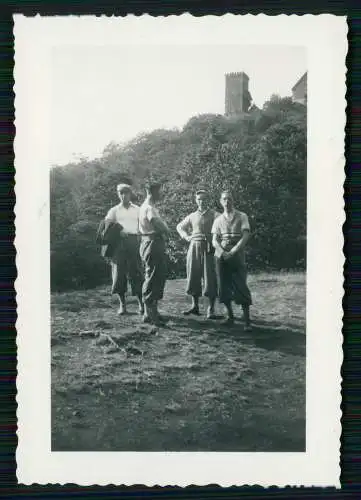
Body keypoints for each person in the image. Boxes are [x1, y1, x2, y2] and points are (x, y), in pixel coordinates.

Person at [212, 190, 252, 329]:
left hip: (237, 254)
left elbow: (245, 236)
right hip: (221, 255)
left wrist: (233, 251)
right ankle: (230, 316)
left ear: (233, 200)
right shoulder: (218, 220)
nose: (227, 202)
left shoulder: (242, 216)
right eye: (224, 199)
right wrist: (222, 252)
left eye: (229, 199)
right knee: (223, 285)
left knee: (241, 285)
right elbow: (214, 240)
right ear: (221, 201)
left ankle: (247, 321)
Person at [176, 190, 219, 319]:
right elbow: (179, 227)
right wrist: (186, 237)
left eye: (204, 199)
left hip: (209, 247)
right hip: (194, 246)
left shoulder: (215, 214)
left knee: (210, 277)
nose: (202, 201)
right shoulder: (192, 215)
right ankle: (195, 306)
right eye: (199, 199)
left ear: (208, 200)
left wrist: (216, 238)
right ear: (196, 200)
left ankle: (211, 309)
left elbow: (223, 223)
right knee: (193, 275)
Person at [105, 183, 144, 316]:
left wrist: (140, 235)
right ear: (118, 194)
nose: (123, 195)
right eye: (121, 193)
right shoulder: (114, 210)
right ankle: (123, 305)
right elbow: (106, 226)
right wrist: (117, 231)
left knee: (136, 272)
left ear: (130, 194)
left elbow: (143, 224)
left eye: (126, 192)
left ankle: (141, 304)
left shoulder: (137, 209)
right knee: (119, 274)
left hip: (134, 242)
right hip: (119, 244)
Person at [138, 181, 170, 325]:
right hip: (152, 243)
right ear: (152, 192)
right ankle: (151, 316)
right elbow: (157, 224)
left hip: (148, 242)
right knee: (153, 277)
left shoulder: (143, 207)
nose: (161, 194)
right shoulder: (149, 208)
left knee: (153, 275)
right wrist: (167, 230)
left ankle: (150, 313)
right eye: (159, 191)